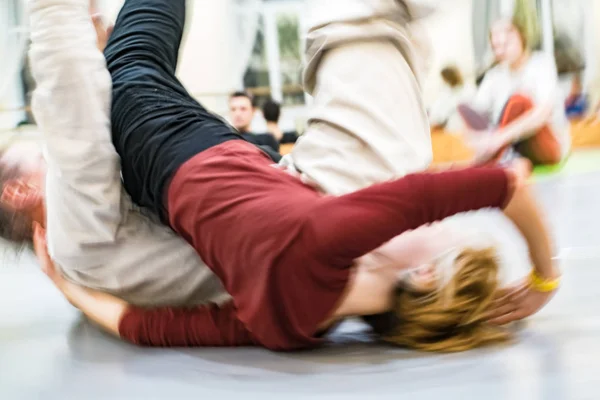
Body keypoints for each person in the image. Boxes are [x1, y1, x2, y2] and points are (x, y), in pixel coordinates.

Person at [33, 0, 558, 353]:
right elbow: (145, 327)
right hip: (189, 172)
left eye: (443, 239)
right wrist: (68, 286)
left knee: (133, 51)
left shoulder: (333, 235)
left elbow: (507, 184)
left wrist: (543, 279)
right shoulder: (294, 329)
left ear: (422, 275)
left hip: (158, 130)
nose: (431, 228)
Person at [0, 0, 232, 308]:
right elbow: (67, 93)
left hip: (268, 257)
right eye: (43, 160)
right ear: (20, 192)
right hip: (276, 252)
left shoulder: (75, 256)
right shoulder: (76, 234)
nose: (53, 160)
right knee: (133, 66)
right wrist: (55, 7)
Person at [459, 18, 571, 166]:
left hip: (547, 146)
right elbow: (476, 112)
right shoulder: (494, 75)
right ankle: (493, 157)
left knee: (519, 101)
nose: (501, 51)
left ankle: (488, 161)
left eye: (506, 44)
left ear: (521, 38)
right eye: (496, 46)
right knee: (465, 108)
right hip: (514, 147)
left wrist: (500, 138)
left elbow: (544, 112)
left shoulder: (541, 64)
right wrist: (475, 138)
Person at [428, 66, 476, 132]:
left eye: (444, 78)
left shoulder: (467, 89)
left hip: (459, 125)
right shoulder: (446, 91)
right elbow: (438, 107)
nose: (444, 81)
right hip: (444, 126)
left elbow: (465, 107)